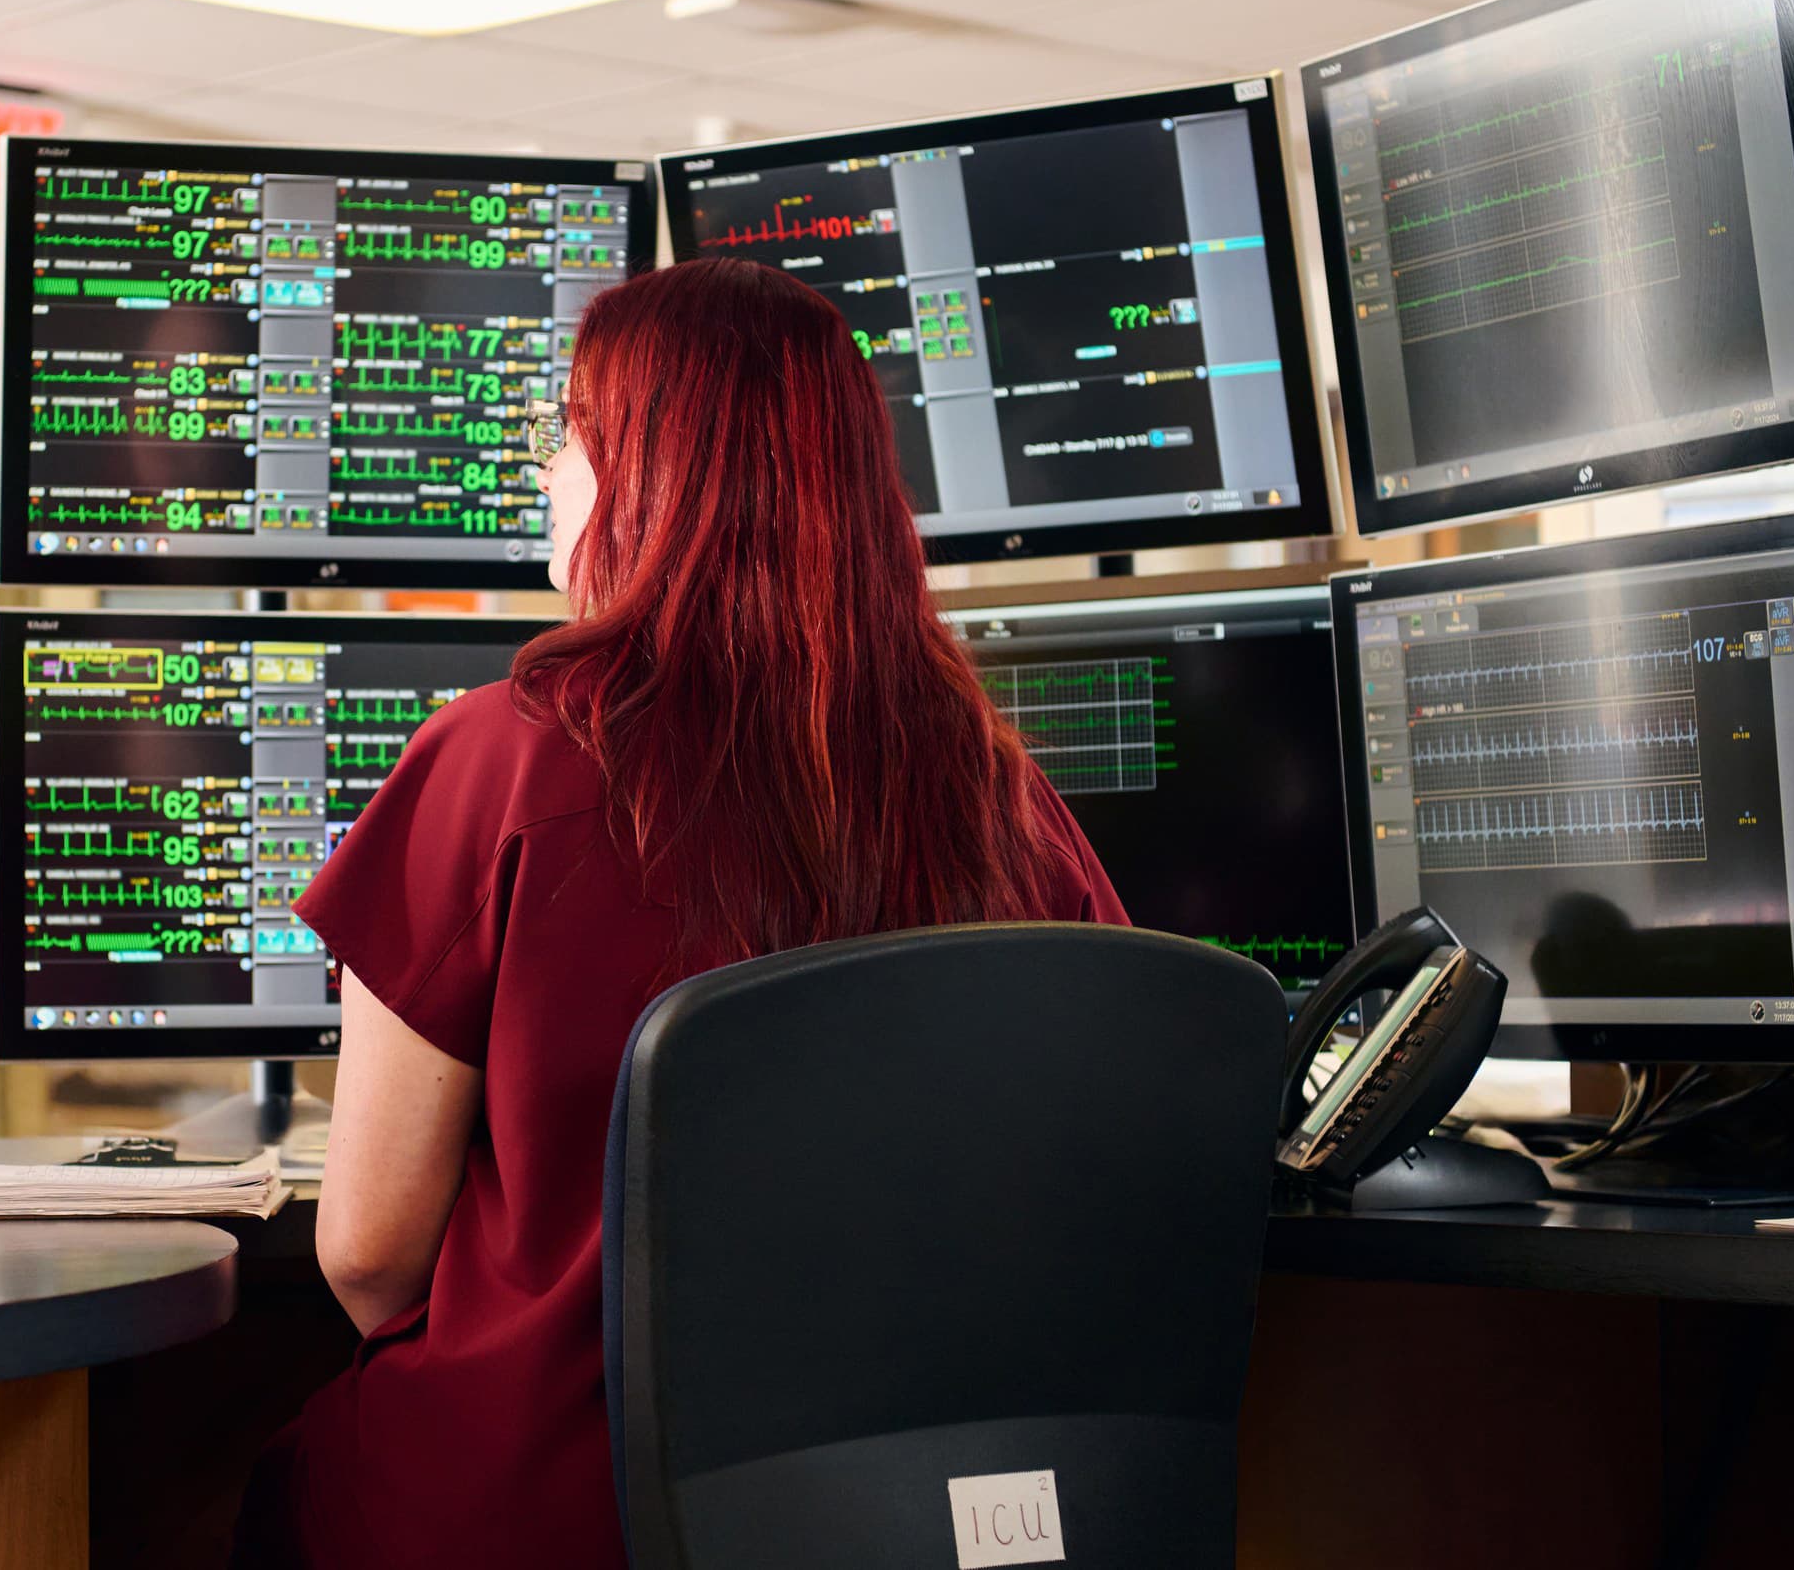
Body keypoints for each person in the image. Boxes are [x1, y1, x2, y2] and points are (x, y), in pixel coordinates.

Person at [231, 256, 1125, 1570]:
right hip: (913, 1512)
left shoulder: (501, 759)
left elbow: (368, 1255)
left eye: (571, 435)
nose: (547, 473)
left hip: (552, 1509)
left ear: (647, 474)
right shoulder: (999, 792)